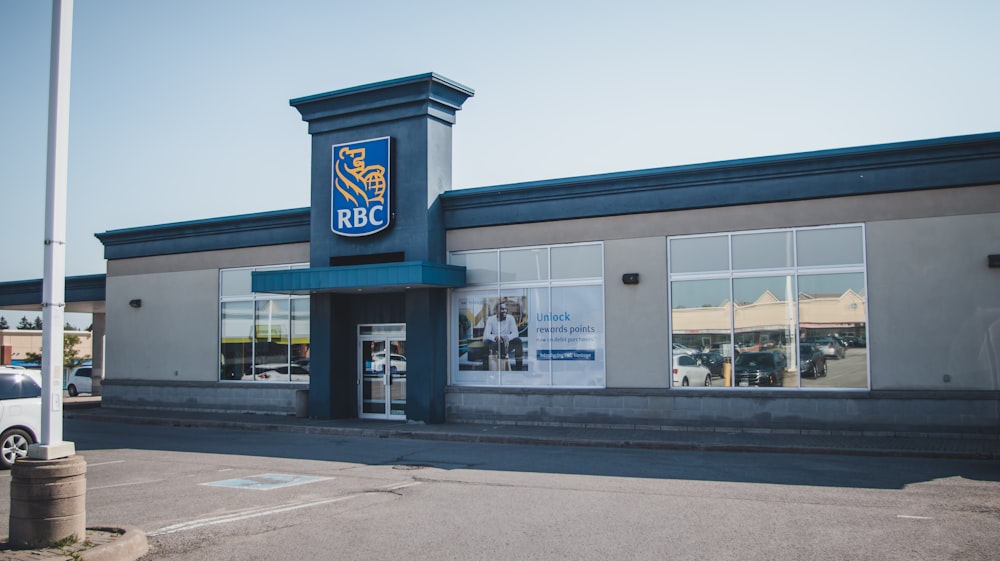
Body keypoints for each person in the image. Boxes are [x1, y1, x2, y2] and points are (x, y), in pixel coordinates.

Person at [482, 302, 523, 370]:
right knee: (485, 342)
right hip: (495, 343)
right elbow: (487, 334)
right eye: (502, 309)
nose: (504, 311)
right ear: (496, 311)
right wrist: (495, 337)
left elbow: (515, 333)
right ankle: (485, 369)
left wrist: (508, 337)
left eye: (505, 309)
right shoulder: (491, 319)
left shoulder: (510, 318)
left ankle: (519, 369)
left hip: (507, 343)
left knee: (518, 341)